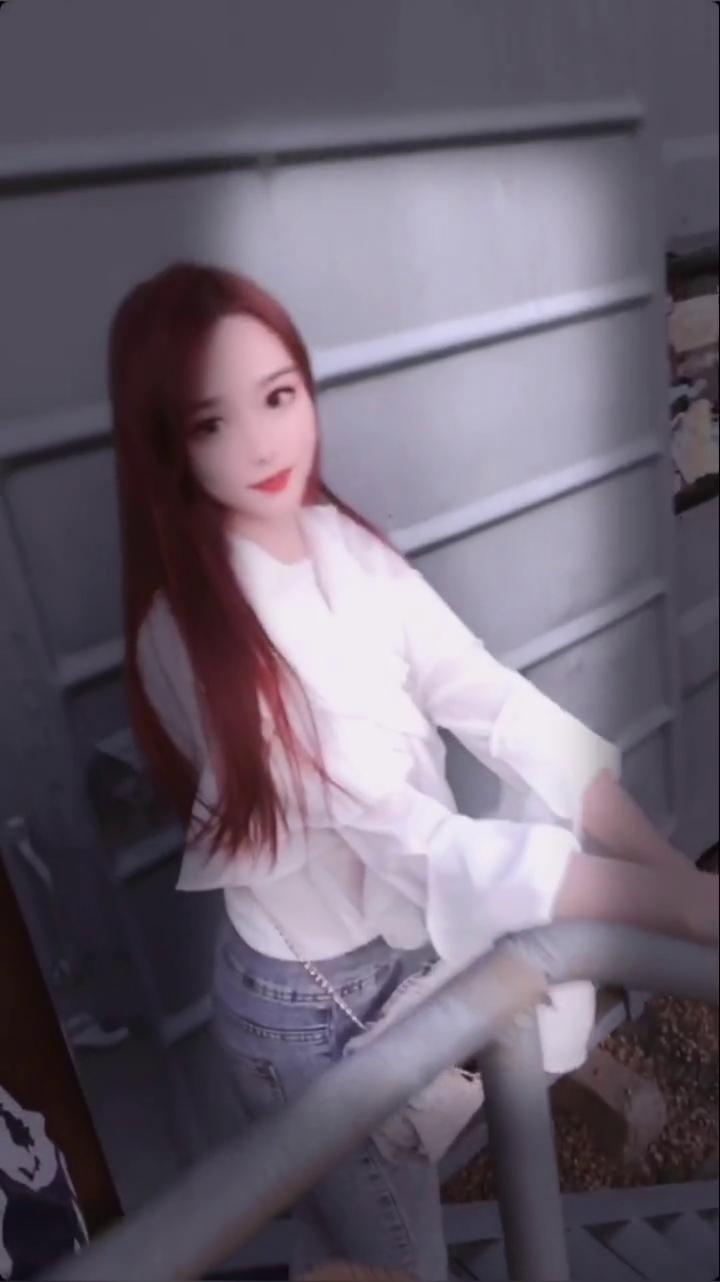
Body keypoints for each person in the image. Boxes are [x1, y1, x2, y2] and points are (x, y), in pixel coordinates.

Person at [108, 262, 718, 1281]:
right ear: (171, 447)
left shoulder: (331, 541)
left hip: (362, 965)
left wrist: (665, 870)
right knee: (400, 1257)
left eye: (279, 396)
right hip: (308, 1014)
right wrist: (681, 906)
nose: (263, 443)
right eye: (214, 422)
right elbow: (423, 844)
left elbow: (484, 693)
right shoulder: (212, 637)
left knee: (352, 1240)